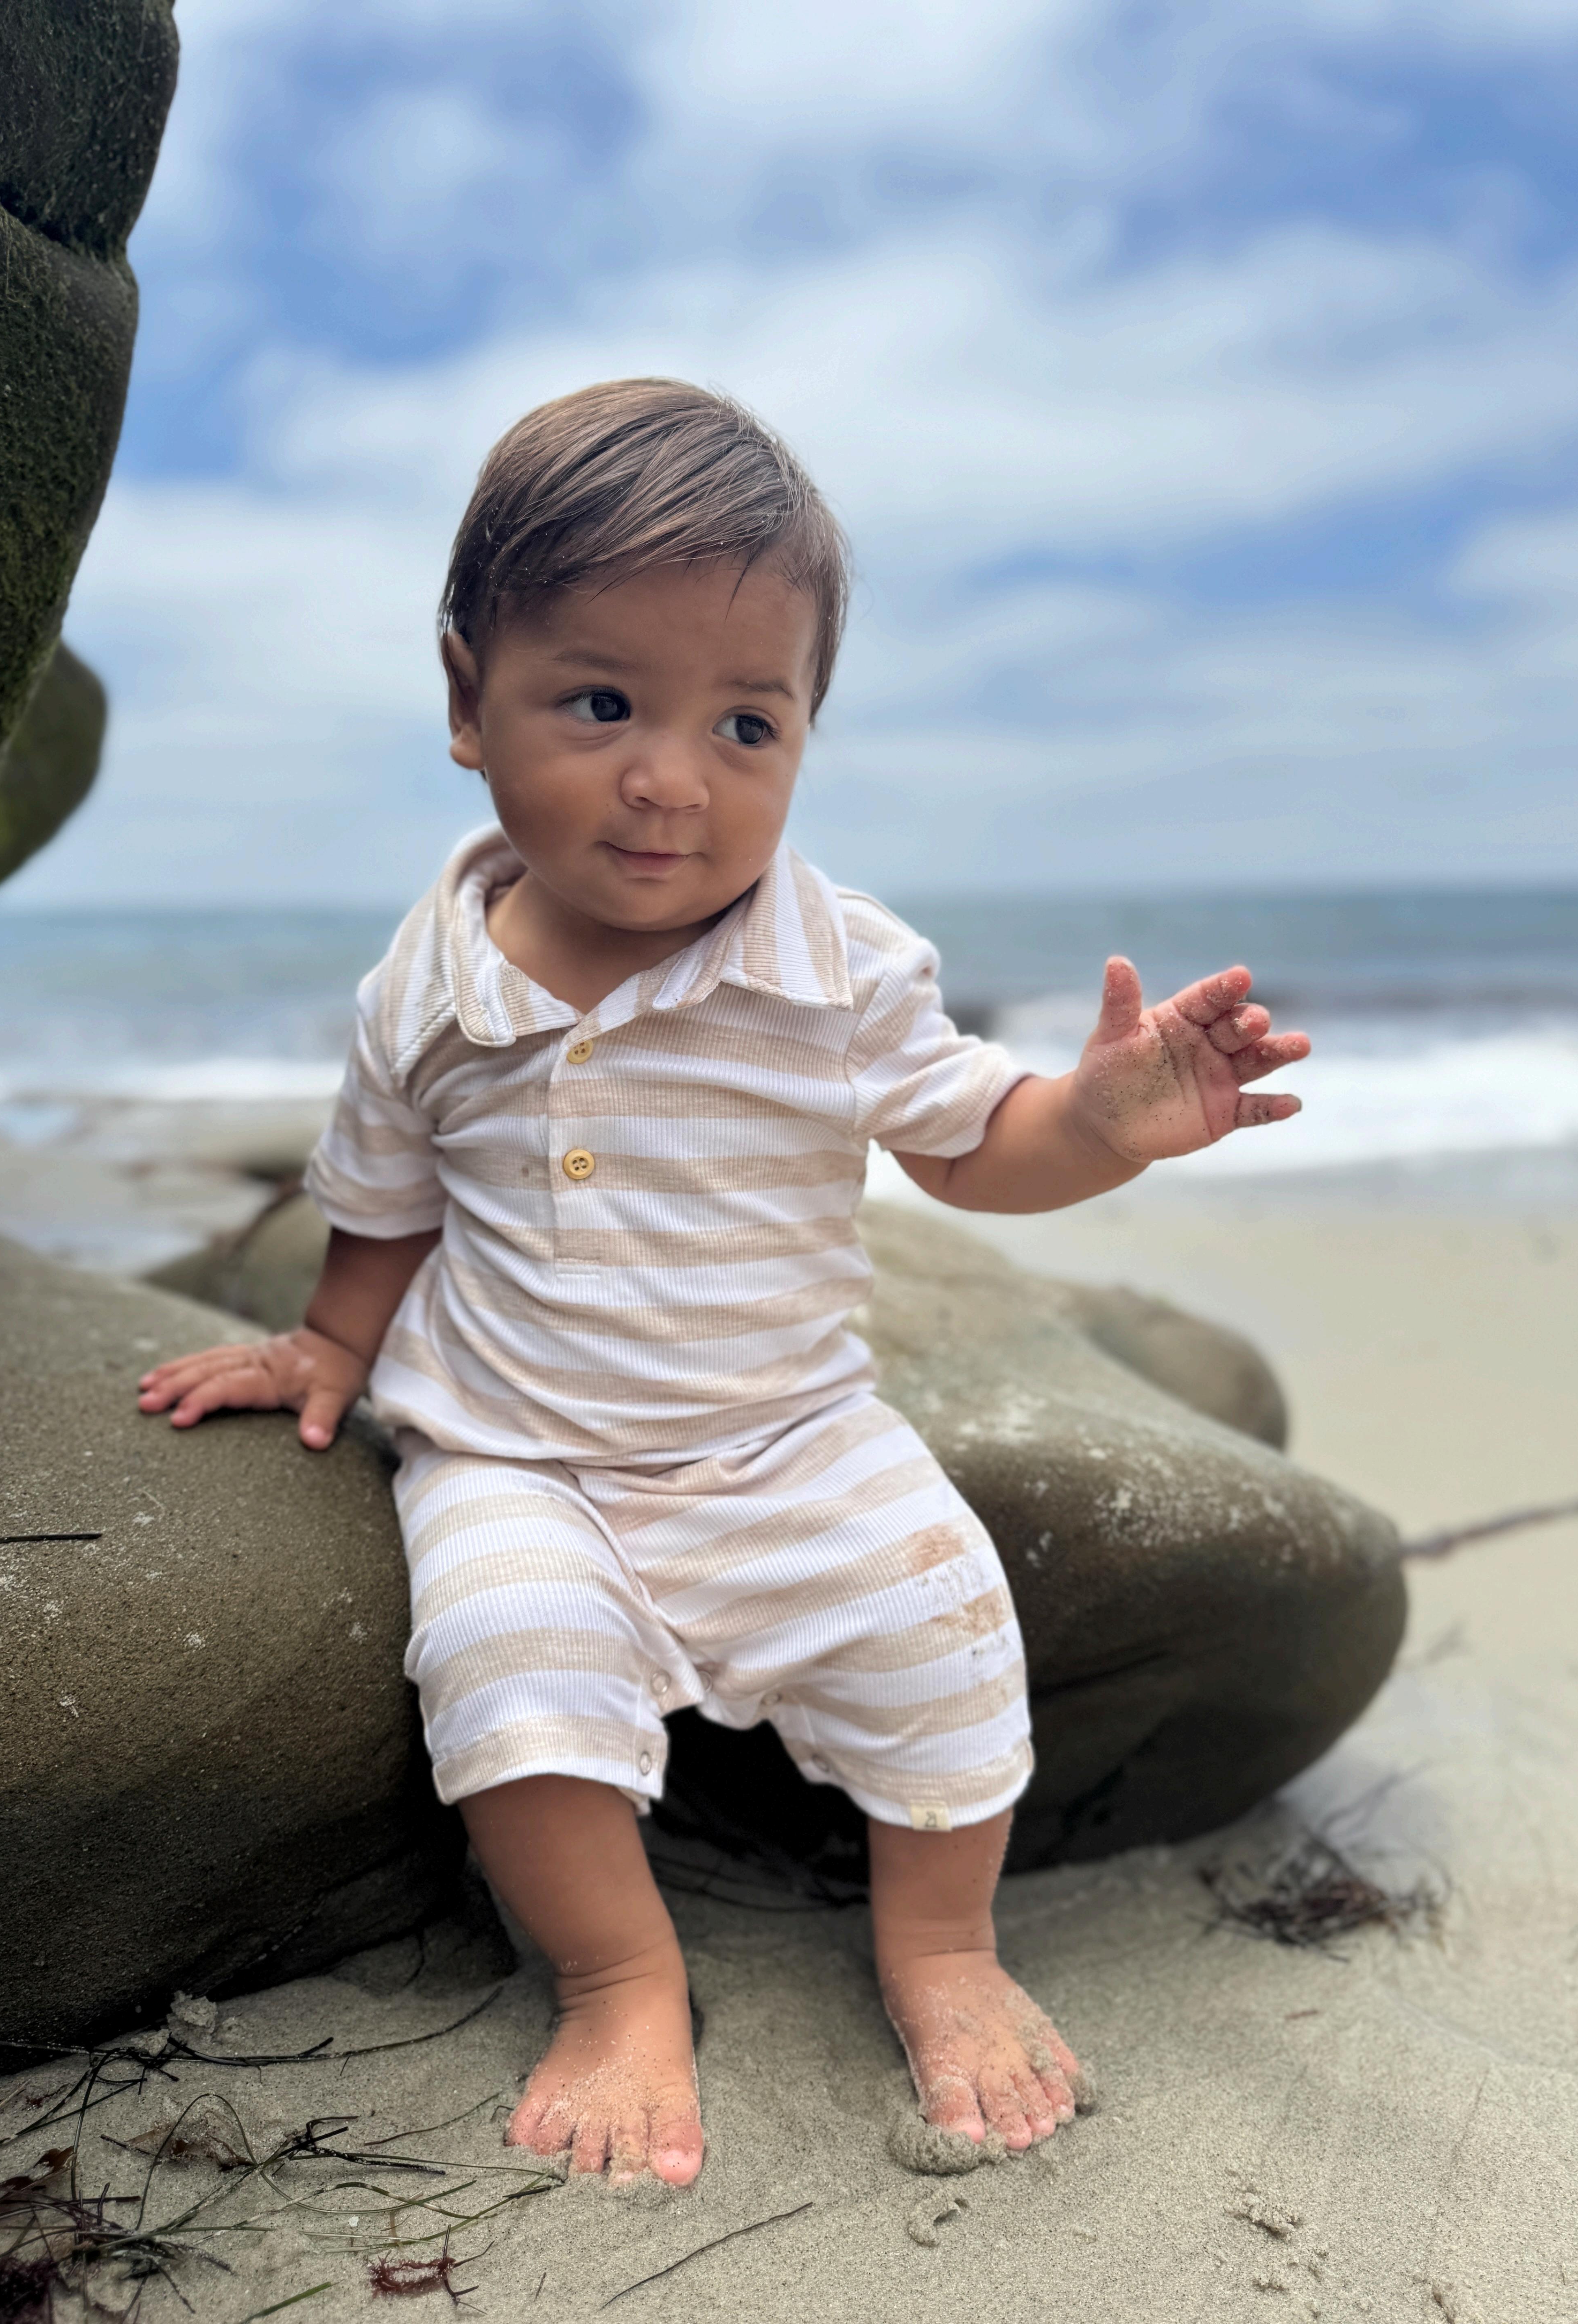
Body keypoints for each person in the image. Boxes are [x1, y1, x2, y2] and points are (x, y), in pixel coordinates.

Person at [138, 379, 1309, 2190]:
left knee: (946, 1625)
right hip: (520, 1450)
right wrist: (326, 1345)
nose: (671, 778)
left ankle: (943, 1945)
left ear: (805, 734)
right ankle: (620, 1980)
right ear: (467, 697)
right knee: (506, 1678)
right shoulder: (427, 989)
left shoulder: (834, 968)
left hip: (788, 1436)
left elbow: (972, 1145)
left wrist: (1100, 1121)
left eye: (745, 724)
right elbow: (384, 1194)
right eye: (602, 703)